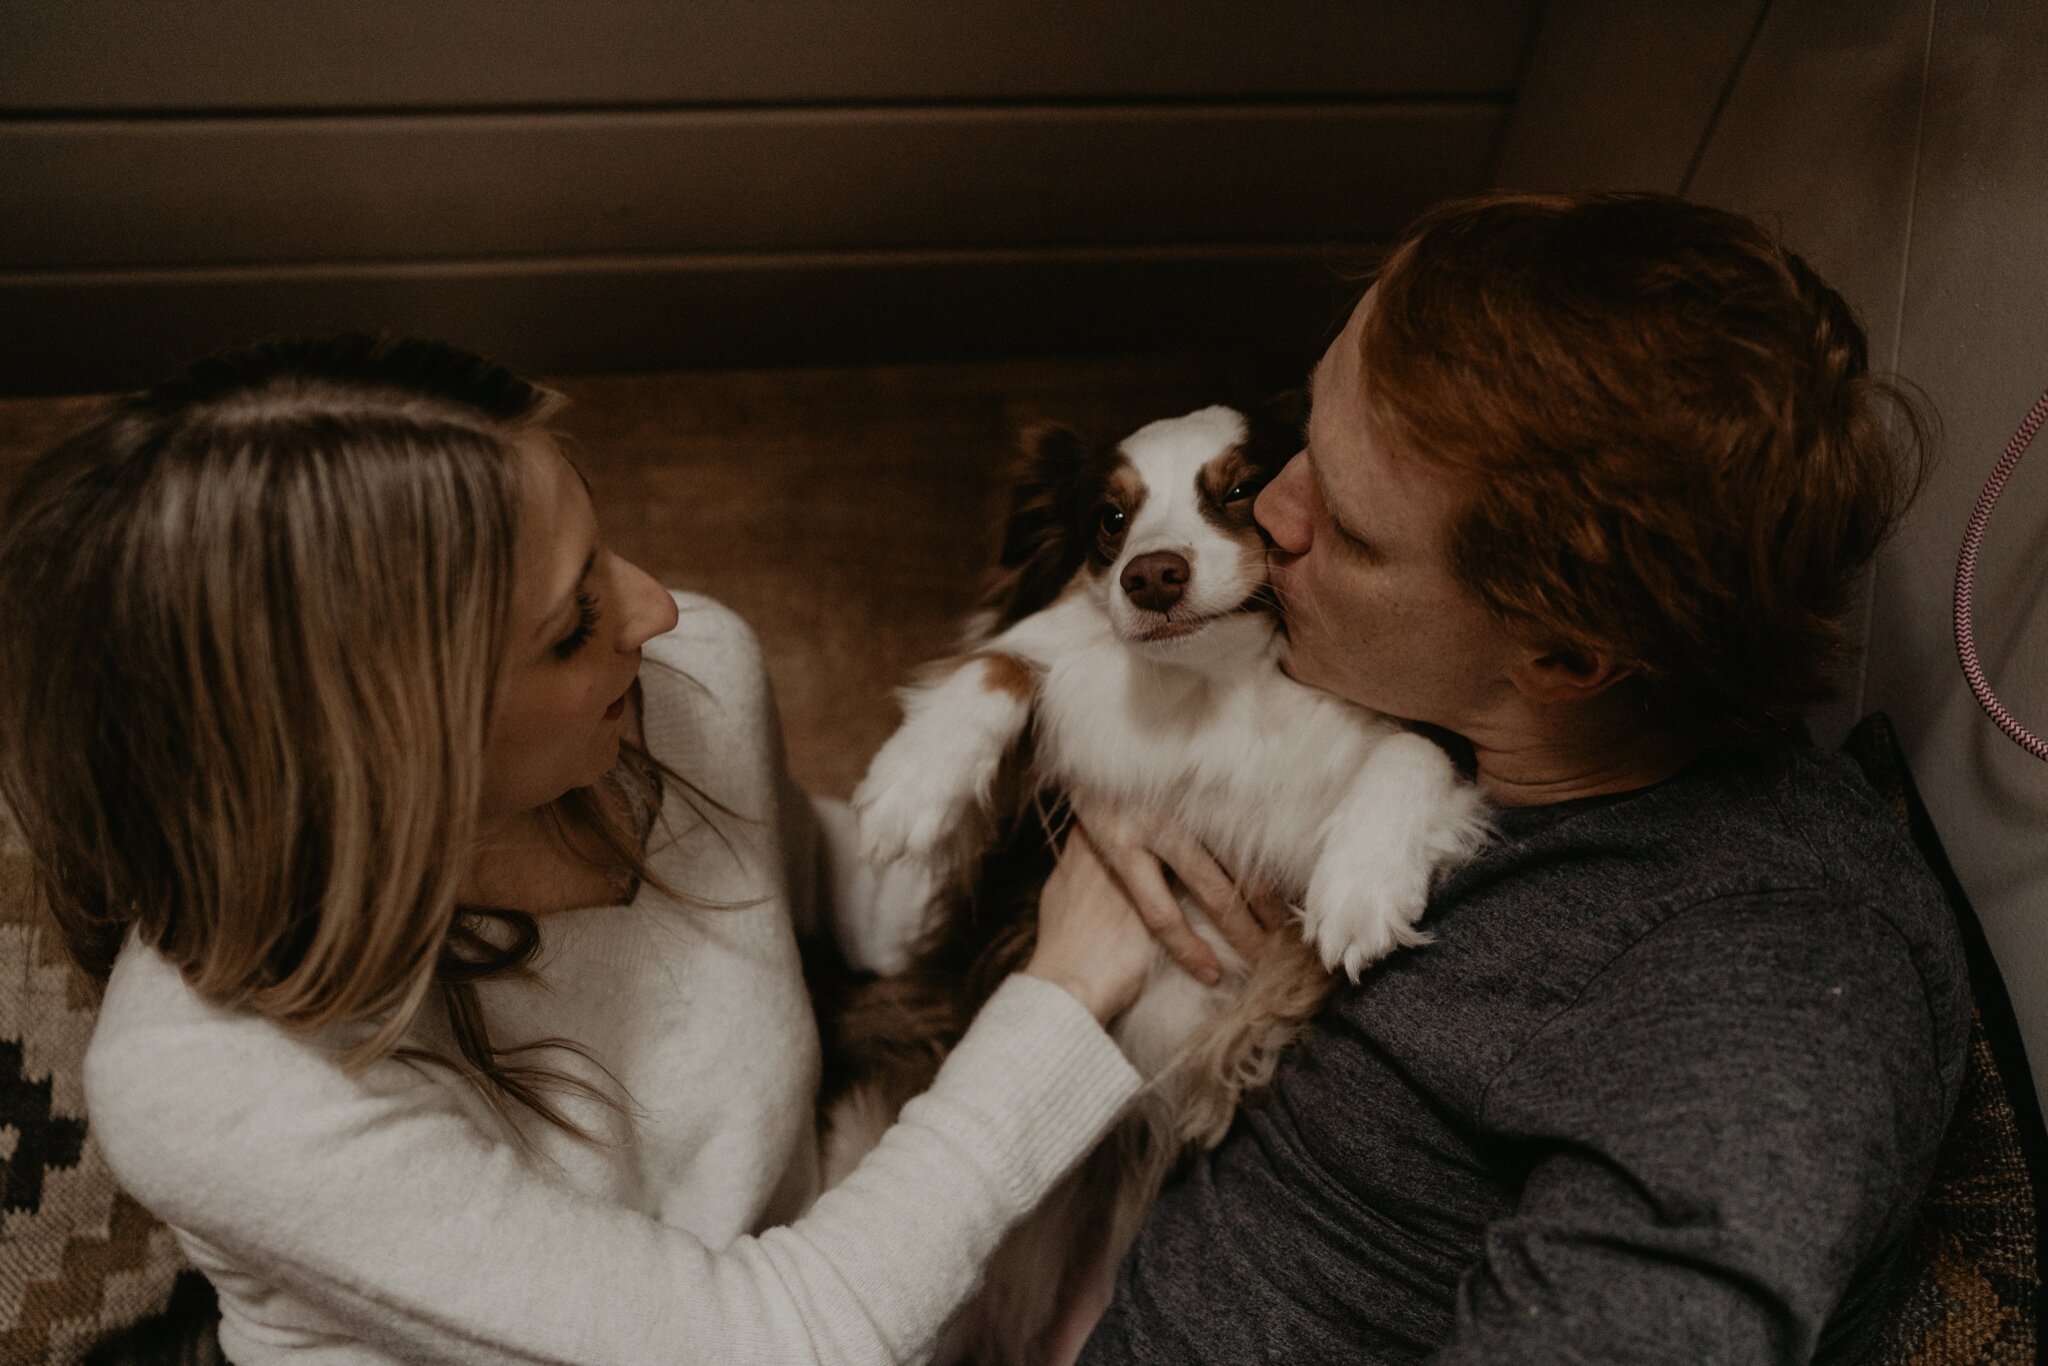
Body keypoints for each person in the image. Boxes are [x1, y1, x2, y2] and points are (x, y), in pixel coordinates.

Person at [0, 334, 1185, 1365]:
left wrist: (1086, 810)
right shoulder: (206, 1084)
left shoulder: (681, 684)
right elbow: (775, 1340)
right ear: (393, 758)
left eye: (601, 538)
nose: (655, 608)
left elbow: (834, 888)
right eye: (572, 624)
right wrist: (1066, 989)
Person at [1074, 192, 1971, 1363]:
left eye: (1342, 528)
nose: (1272, 509)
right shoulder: (1438, 706)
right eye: (1307, 432)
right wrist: (1114, 770)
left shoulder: (1755, 985)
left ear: (1559, 656)